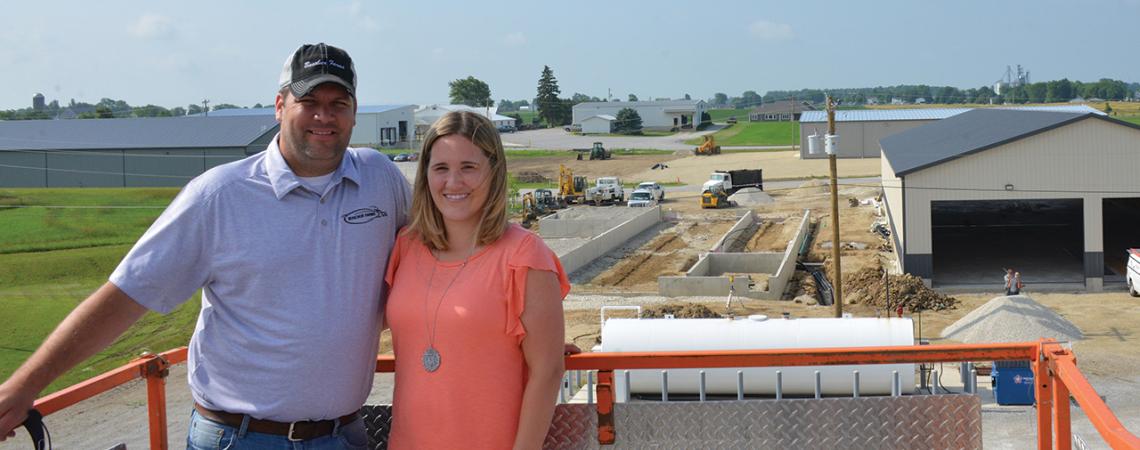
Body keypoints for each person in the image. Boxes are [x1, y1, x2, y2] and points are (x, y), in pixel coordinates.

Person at [0, 43, 410, 449]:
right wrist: (25, 385)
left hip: (344, 435)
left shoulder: (380, 179)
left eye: (339, 102)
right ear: (280, 105)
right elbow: (126, 295)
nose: (324, 115)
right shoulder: (219, 195)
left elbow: (444, 251)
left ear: (355, 111)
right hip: (242, 438)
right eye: (309, 101)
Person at [384, 111, 570, 449]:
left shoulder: (524, 256)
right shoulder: (405, 247)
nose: (453, 182)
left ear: (494, 172)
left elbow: (547, 372)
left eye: (468, 168)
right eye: (441, 168)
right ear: (425, 175)